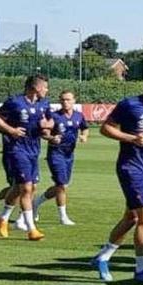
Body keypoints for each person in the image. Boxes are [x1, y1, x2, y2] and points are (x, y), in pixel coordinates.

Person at [90, 68, 143, 283]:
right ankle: (140, 269)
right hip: (130, 167)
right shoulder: (130, 105)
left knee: (132, 217)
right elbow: (106, 129)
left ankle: (103, 256)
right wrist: (131, 138)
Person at [0, 74, 54, 240]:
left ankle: (3, 218)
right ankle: (31, 229)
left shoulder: (43, 104)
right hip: (16, 150)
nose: (47, 90)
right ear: (36, 87)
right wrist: (11, 131)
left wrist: (47, 128)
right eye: (45, 87)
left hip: (34, 150)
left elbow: (49, 122)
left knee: (20, 188)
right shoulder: (15, 102)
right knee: (26, 188)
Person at [33, 90, 89, 225]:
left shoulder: (78, 116)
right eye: (63, 100)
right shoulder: (54, 117)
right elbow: (44, 133)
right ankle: (63, 217)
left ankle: (36, 202)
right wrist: (52, 138)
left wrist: (84, 136)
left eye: (68, 99)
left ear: (74, 101)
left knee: (62, 186)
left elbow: (85, 128)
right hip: (56, 154)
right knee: (62, 186)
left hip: (69, 155)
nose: (65, 102)